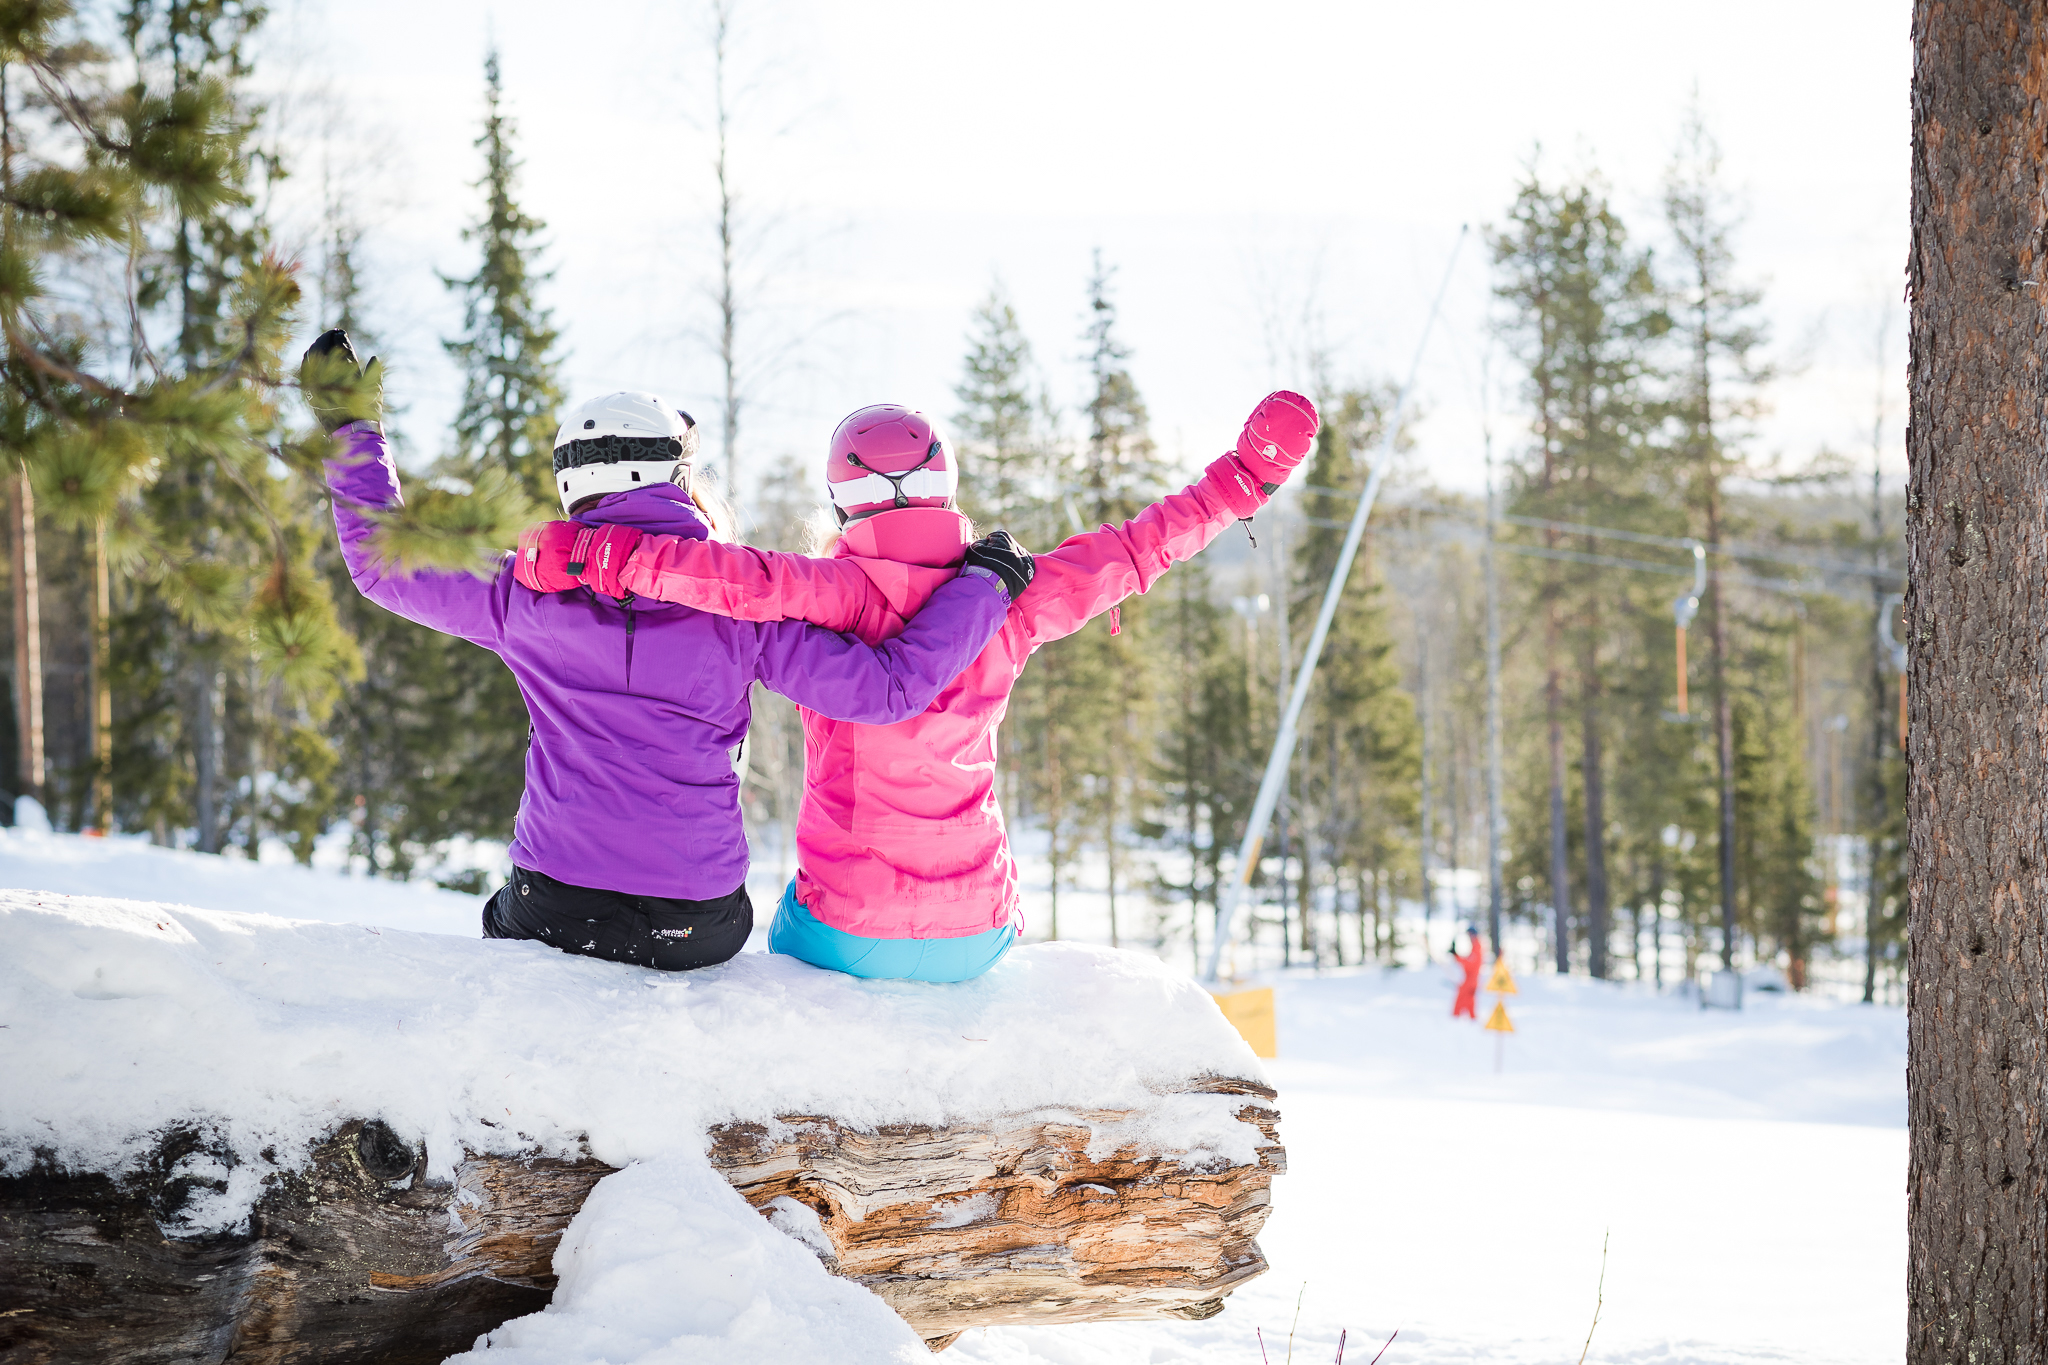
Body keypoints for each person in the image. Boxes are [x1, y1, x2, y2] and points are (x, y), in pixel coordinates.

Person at [516, 391, 1320, 983]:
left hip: (842, 930)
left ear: (840, 498)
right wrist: (1244, 478)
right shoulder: (1009, 593)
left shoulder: (830, 591)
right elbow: (1135, 549)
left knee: (774, 926)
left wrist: (597, 556)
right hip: (976, 931)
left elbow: (736, 578)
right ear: (945, 482)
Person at [301, 330, 1033, 972]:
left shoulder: (520, 592)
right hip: (695, 923)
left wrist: (350, 427)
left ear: (572, 490)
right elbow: (888, 690)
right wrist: (983, 586)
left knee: (504, 918)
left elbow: (378, 562)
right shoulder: (740, 603)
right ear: (678, 478)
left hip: (555, 902)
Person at [1451, 926, 1484, 1019]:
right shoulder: (1475, 946)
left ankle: (1456, 1017)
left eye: (1469, 935)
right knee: (1469, 999)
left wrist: (1456, 956)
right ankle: (1471, 1018)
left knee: (1462, 997)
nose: (1469, 937)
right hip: (1471, 978)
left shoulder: (1477, 947)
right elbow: (1469, 961)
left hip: (1471, 979)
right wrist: (1456, 955)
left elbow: (1470, 964)